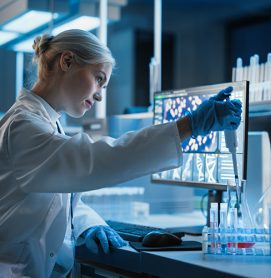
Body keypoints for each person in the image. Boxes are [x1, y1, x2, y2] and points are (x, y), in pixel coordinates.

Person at [0, 29, 242, 277]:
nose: (99, 95)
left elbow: (58, 193)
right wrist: (188, 125)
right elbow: (95, 160)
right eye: (98, 78)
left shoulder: (46, 122)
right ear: (67, 61)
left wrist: (88, 224)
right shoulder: (23, 127)